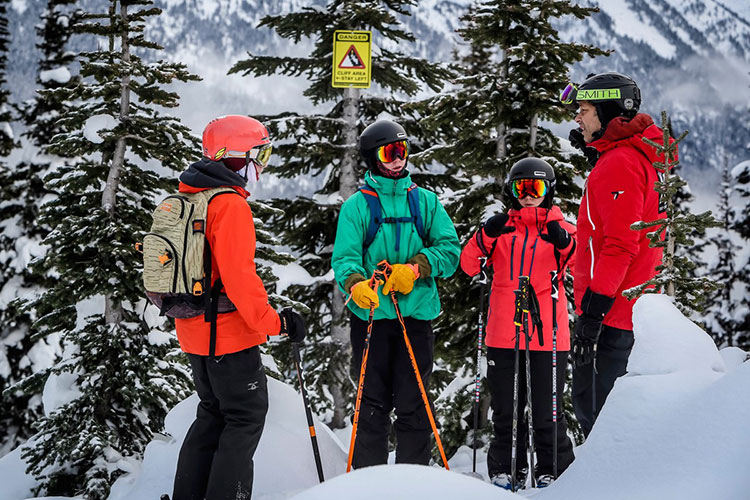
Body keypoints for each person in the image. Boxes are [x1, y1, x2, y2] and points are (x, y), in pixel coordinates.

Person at [170, 115, 306, 500]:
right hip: (227, 338)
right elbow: (239, 279)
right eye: (259, 153)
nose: (262, 163)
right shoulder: (229, 205)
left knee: (212, 416)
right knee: (244, 419)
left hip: (195, 334)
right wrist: (276, 322)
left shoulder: (189, 195)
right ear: (237, 155)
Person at [331, 119, 460, 468]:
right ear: (373, 158)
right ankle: (367, 480)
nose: (398, 159)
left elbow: (450, 251)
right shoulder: (357, 206)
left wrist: (416, 268)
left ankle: (412, 480)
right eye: (390, 152)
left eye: (402, 150)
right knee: (371, 403)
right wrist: (356, 285)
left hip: (415, 316)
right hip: (373, 317)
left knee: (414, 401)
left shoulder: (425, 203)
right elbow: (344, 258)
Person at [560, 72, 669, 436]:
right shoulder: (630, 156)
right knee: (606, 415)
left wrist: (593, 311)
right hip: (623, 309)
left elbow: (620, 245)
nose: (578, 117)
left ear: (606, 113)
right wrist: (599, 151)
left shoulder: (621, 163)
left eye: (585, 110)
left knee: (599, 419)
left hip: (611, 314)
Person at [460, 158, 577, 489]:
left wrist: (564, 243)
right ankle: (505, 469)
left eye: (535, 188)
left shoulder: (563, 230)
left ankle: (552, 469)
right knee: (507, 411)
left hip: (549, 336)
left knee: (546, 411)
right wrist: (485, 236)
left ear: (548, 191)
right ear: (511, 191)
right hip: (503, 333)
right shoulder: (501, 230)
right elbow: (469, 265)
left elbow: (582, 263)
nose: (528, 196)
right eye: (520, 188)